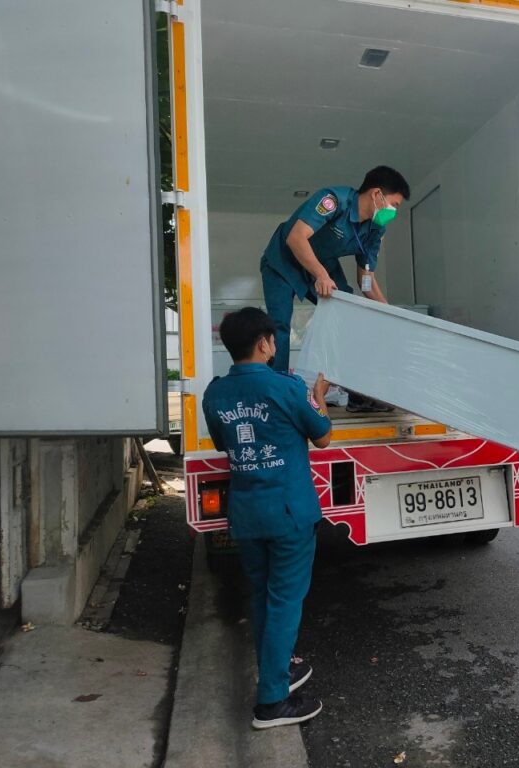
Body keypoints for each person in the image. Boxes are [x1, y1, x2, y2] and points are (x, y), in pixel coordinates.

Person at [202, 307, 333, 730]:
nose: (275, 345)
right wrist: (320, 396)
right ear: (264, 344)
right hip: (289, 514)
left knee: (262, 596)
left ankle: (279, 670)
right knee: (285, 601)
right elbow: (323, 436)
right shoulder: (288, 387)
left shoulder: (215, 394)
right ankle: (272, 702)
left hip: (248, 515)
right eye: (273, 339)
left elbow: (223, 443)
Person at [259, 165, 410, 411]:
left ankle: (358, 392)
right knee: (279, 327)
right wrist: (320, 274)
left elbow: (366, 278)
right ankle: (277, 397)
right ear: (376, 194)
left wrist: (388, 310)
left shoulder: (375, 228)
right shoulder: (333, 201)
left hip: (323, 265)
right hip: (283, 261)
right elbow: (296, 237)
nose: (393, 212)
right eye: (393, 205)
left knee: (348, 319)